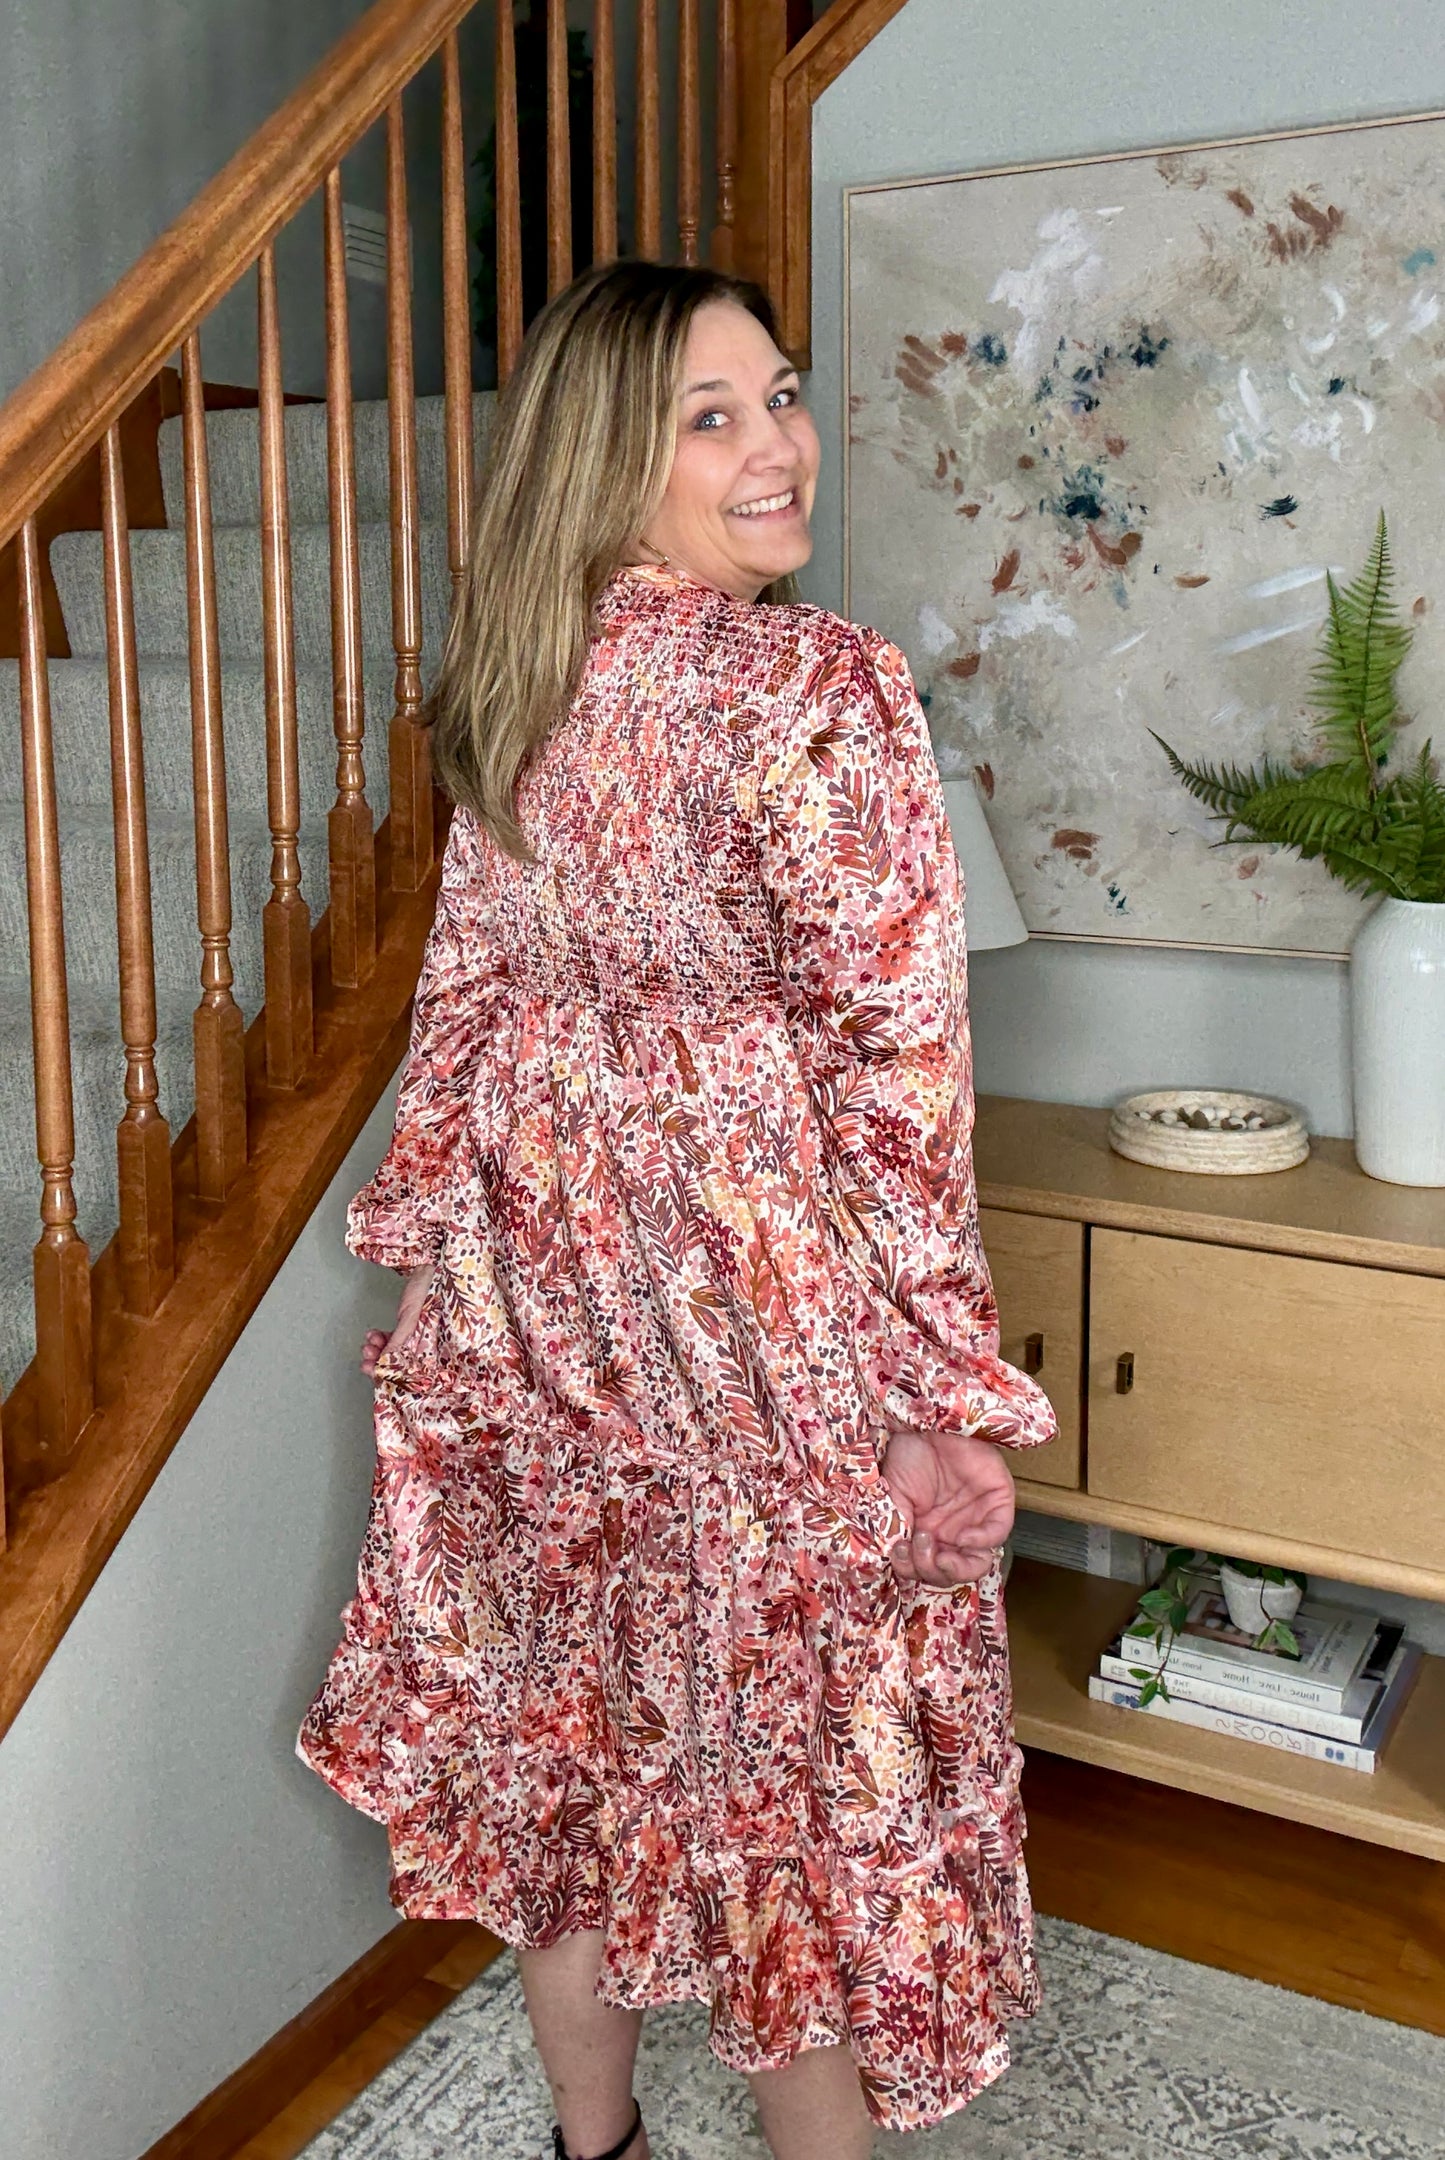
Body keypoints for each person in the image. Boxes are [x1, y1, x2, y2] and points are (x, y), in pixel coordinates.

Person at [298, 259, 1057, 2160]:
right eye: (706, 417)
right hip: (749, 1297)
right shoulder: (818, 684)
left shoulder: (518, 677)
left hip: (540, 1295)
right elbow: (896, 1083)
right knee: (782, 1786)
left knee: (579, 1750)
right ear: (603, 460)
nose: (777, 444)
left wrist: (454, 1282)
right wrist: (932, 1389)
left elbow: (465, 1006)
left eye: (778, 394)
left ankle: (595, 2146)